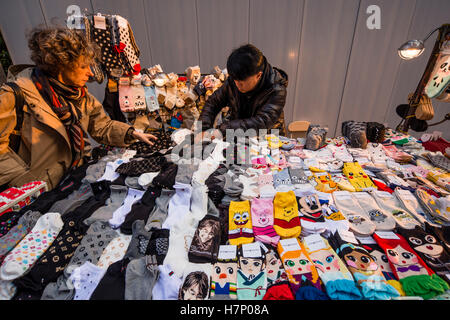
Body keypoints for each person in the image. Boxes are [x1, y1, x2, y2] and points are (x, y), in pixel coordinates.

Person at [0, 26, 156, 190]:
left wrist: (131, 132)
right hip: (38, 193)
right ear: (61, 64)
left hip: (74, 180)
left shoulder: (79, 95)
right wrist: (24, 183)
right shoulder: (16, 94)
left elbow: (102, 126)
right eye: (83, 66)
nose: (90, 73)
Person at [198, 44, 288, 140]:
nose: (237, 86)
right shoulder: (235, 79)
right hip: (240, 137)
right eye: (235, 81)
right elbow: (213, 102)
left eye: (241, 83)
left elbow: (262, 121)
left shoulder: (276, 88)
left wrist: (223, 130)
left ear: (258, 75)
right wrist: (204, 129)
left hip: (268, 139)